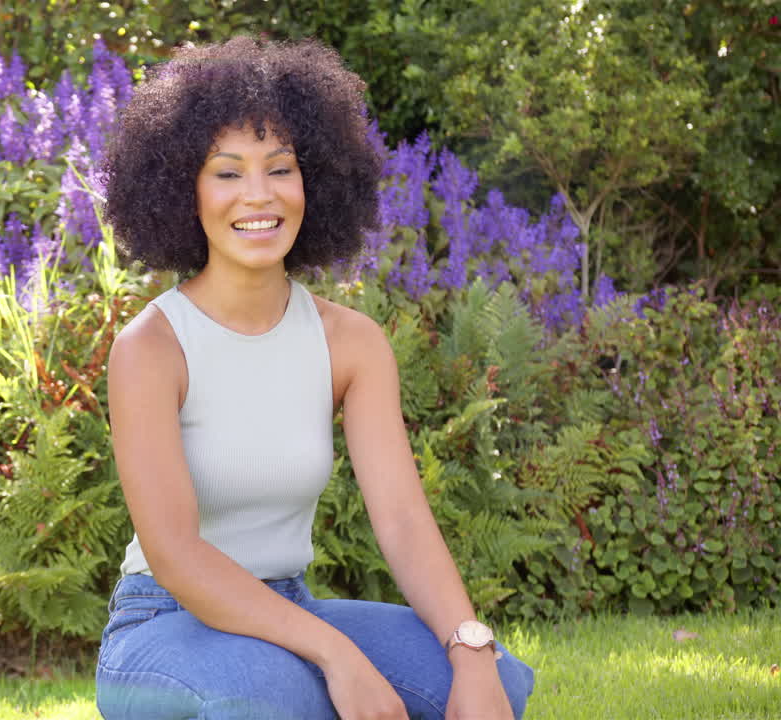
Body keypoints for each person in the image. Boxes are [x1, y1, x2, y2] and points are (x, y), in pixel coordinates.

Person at [95, 36, 535, 720]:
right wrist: (336, 653)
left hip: (288, 603)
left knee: (494, 687)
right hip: (164, 625)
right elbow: (176, 554)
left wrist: (469, 646)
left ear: (315, 183)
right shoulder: (152, 348)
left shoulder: (351, 343)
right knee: (280, 696)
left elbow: (403, 520)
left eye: (281, 168)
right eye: (228, 172)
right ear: (183, 187)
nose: (260, 196)